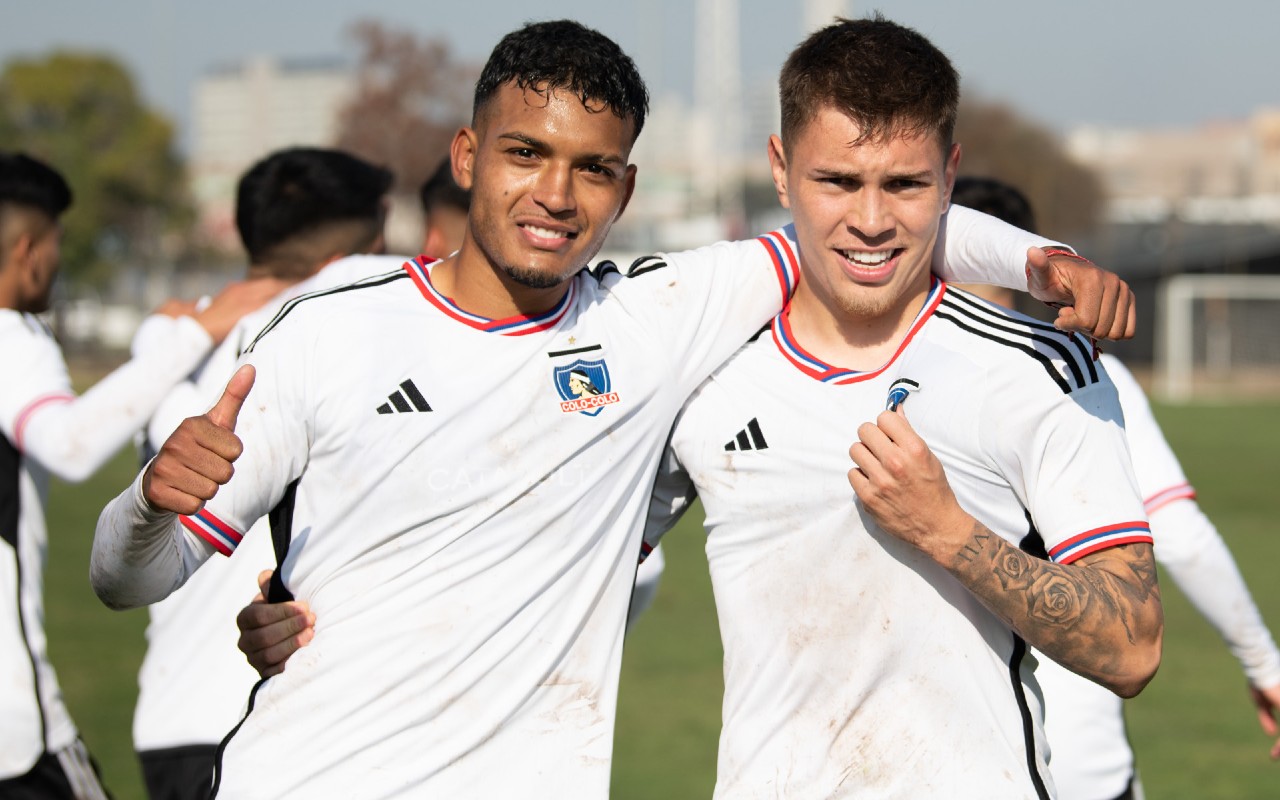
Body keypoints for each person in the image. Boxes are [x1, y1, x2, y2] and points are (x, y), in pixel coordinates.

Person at [92, 19, 1134, 799]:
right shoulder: (322, 335)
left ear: (624, 188)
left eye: (591, 169)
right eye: (524, 154)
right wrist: (146, 504)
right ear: (466, 157)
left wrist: (1037, 259)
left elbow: (867, 227)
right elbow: (125, 578)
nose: (555, 193)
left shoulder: (654, 321)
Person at [950, 174, 1280, 799]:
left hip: (927, 762)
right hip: (1080, 767)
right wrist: (1265, 664)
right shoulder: (1087, 371)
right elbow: (1180, 538)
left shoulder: (875, 376)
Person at [0, 151, 278, 799]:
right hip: (13, 730)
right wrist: (193, 334)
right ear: (28, 248)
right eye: (58, 245)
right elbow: (69, 444)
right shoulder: (10, 334)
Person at [129, 147, 395, 800]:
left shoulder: (168, 341)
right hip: (284, 721)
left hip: (171, 720)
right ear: (360, 249)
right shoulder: (352, 343)